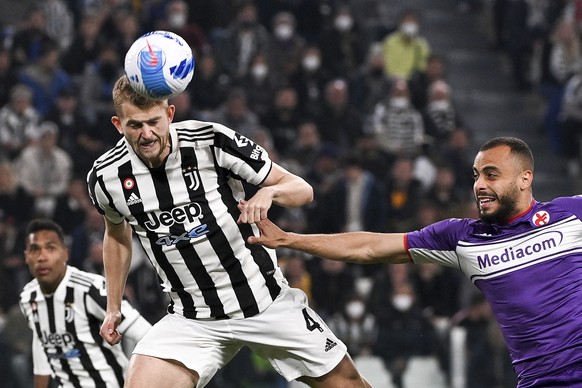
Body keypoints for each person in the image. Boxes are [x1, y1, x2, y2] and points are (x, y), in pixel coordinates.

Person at [86, 75, 370, 388]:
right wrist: (113, 307)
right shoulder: (106, 177)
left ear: (169, 114)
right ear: (117, 124)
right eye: (135, 125)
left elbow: (301, 189)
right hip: (191, 318)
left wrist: (269, 193)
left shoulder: (211, 141)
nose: (147, 134)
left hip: (264, 302)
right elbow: (116, 234)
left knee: (348, 384)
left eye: (153, 122)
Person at [249, 136, 582, 388]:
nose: (480, 185)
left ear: (525, 179)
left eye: (492, 175)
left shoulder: (571, 215)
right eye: (477, 175)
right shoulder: (464, 237)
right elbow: (369, 247)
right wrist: (291, 240)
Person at [18, 218, 152, 388]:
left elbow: (147, 336)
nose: (42, 257)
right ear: (26, 256)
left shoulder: (91, 289)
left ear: (65, 253)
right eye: (34, 250)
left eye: (50, 248)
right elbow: (41, 345)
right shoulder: (28, 298)